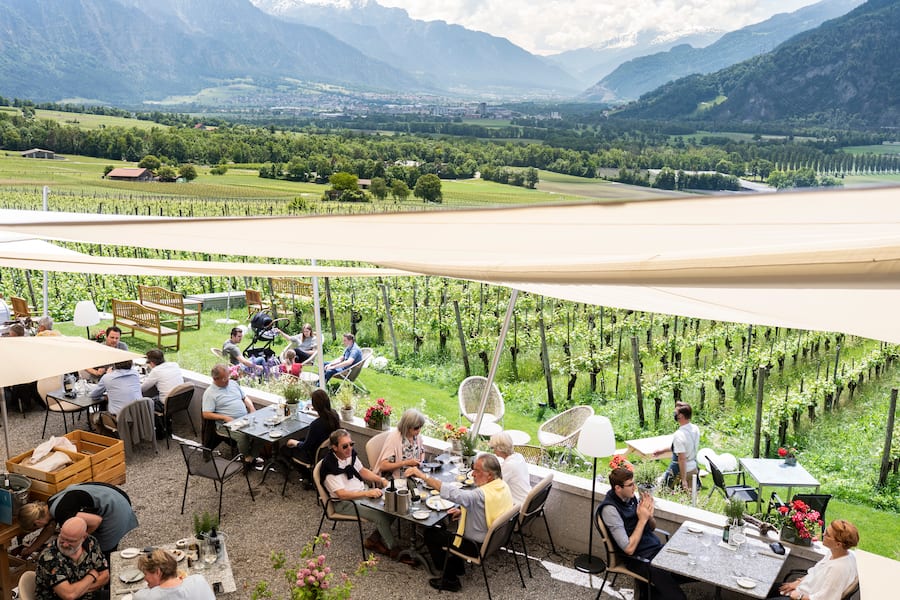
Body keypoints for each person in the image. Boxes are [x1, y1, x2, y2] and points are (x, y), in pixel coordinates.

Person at [406, 453, 514, 593]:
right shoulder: (502, 486)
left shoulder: (480, 495)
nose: (473, 474)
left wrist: (423, 476)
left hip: (474, 546)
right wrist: (463, 512)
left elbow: (454, 494)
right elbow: (487, 509)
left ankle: (450, 578)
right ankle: (457, 565)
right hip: (494, 541)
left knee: (431, 534)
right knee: (444, 528)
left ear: (489, 475)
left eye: (477, 471)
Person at [320, 429, 412, 563]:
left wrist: (381, 480)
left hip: (362, 491)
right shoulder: (330, 467)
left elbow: (362, 471)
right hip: (345, 503)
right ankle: (394, 550)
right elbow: (342, 495)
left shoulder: (349, 455)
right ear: (334, 447)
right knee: (380, 516)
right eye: (345, 446)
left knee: (394, 504)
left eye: (351, 444)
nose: (349, 448)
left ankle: (373, 539)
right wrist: (367, 493)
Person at [599, 467, 686, 600]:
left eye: (634, 483)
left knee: (688, 566)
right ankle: (651, 591)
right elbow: (628, 549)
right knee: (678, 597)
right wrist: (642, 519)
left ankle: (648, 592)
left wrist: (649, 516)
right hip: (639, 559)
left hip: (655, 549)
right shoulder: (610, 510)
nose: (634, 487)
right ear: (618, 488)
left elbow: (651, 528)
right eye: (630, 485)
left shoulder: (630, 498)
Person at [19, 482, 139, 558]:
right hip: (115, 494)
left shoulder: (62, 513)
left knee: (102, 551)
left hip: (115, 508)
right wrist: (31, 549)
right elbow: (49, 529)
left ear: (37, 522)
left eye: (35, 528)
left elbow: (96, 521)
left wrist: (81, 538)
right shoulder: (50, 504)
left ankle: (108, 581)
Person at [773, 520, 859, 600]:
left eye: (827, 534)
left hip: (802, 596)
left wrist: (799, 596)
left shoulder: (838, 569)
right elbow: (815, 572)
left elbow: (825, 598)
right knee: (768, 587)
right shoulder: (837, 553)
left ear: (838, 544)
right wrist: (798, 582)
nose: (823, 534)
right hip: (801, 588)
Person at [201, 363, 262, 468]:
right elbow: (205, 414)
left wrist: (251, 407)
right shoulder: (210, 393)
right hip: (226, 425)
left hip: (244, 419)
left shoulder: (233, 384)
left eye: (228, 376)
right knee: (243, 437)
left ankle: (251, 457)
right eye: (225, 378)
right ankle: (246, 457)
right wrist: (224, 417)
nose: (228, 380)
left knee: (262, 431)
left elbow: (244, 397)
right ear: (215, 379)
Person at [35, 517, 109, 600]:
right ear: (60, 531)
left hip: (90, 595)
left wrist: (78, 591)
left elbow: (105, 576)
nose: (65, 544)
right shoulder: (49, 558)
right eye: (62, 538)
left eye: (71, 541)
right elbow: (69, 595)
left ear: (84, 537)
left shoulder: (91, 542)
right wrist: (92, 576)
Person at [281, 389, 340, 483]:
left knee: (284, 449)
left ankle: (307, 475)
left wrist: (293, 442)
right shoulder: (334, 415)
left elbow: (306, 446)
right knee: (300, 439)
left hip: (313, 455)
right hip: (327, 452)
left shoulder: (316, 425)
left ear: (315, 406)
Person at [134, 549, 215, 599]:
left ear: (158, 572)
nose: (145, 578)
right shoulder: (198, 580)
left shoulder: (142, 597)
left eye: (145, 574)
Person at [658, 401, 700, 491]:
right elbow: (680, 448)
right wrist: (662, 451)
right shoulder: (695, 429)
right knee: (691, 495)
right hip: (693, 467)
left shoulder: (679, 435)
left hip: (682, 470)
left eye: (676, 413)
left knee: (663, 490)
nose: (675, 415)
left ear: (681, 416)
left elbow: (682, 458)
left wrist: (683, 480)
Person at [373, 408, 425, 478]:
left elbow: (422, 451)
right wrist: (406, 463)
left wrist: (421, 461)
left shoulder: (416, 436)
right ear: (407, 427)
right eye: (416, 428)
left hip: (414, 474)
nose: (419, 430)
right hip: (397, 477)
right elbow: (383, 466)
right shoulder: (394, 439)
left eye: (420, 427)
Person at [488, 432, 531, 505]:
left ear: (500, 448)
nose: (493, 451)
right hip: (526, 498)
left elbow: (495, 486)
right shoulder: (519, 456)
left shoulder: (509, 465)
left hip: (517, 504)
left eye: (493, 448)